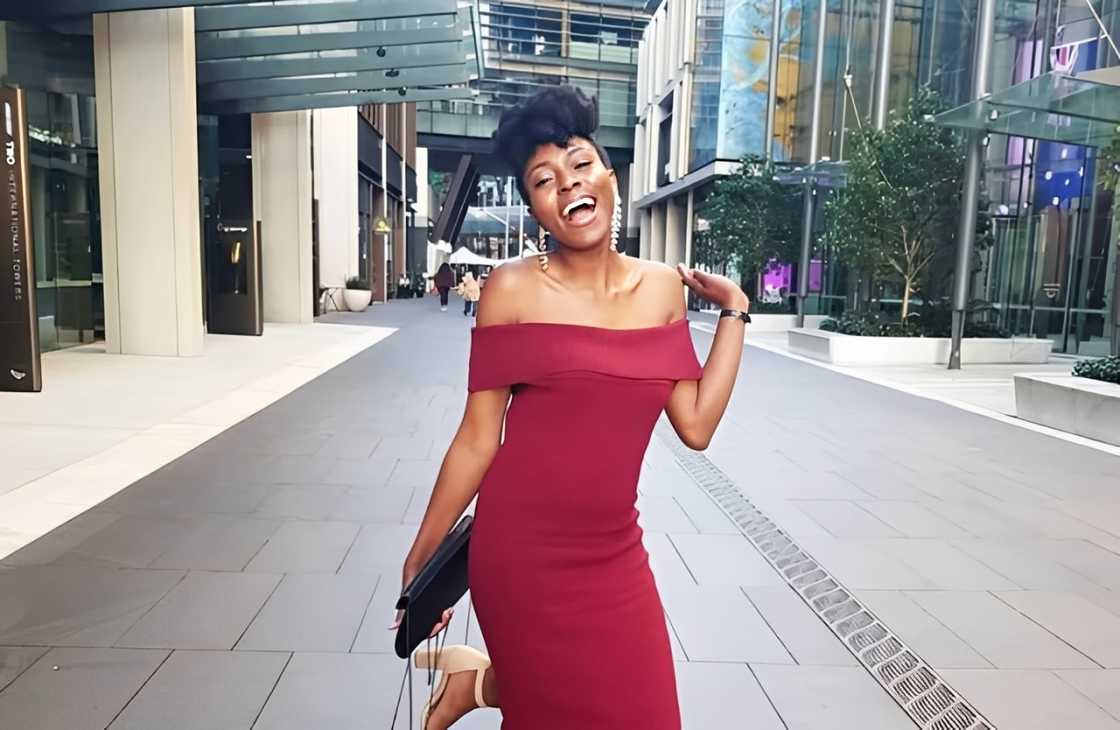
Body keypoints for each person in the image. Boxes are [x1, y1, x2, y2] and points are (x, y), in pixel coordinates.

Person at [392, 86, 749, 730]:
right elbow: (477, 439)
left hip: (615, 552)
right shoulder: (510, 290)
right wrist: (423, 556)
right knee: (546, 711)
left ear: (610, 178)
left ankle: (478, 683)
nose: (568, 184)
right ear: (535, 209)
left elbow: (695, 424)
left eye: (580, 164)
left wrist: (734, 312)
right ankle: (490, 684)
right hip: (518, 556)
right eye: (544, 180)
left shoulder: (662, 290)